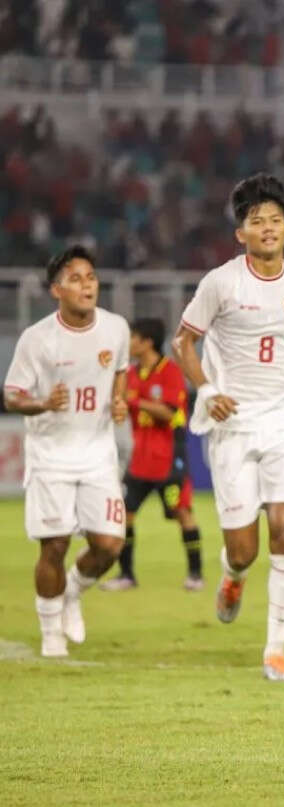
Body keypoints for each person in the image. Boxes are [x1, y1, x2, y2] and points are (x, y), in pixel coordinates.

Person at [172, 173, 284, 682]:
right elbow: (183, 342)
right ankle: (232, 575)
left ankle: (275, 650)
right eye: (255, 221)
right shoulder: (221, 283)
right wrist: (206, 390)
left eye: (273, 220)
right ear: (240, 234)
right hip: (232, 426)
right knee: (245, 549)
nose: (266, 228)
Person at [4, 246, 131, 658]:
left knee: (110, 545)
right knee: (54, 545)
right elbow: (11, 396)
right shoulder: (37, 339)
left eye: (90, 277)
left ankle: (72, 593)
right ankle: (50, 635)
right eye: (75, 279)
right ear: (57, 289)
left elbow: (121, 371)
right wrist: (43, 403)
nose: (86, 285)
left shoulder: (116, 328)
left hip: (97, 453)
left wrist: (119, 400)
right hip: (51, 454)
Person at [100, 317, 205, 592]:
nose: (130, 344)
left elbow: (169, 412)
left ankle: (195, 574)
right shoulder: (131, 374)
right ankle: (126, 575)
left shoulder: (170, 371)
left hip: (169, 459)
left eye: (133, 338)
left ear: (146, 342)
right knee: (125, 515)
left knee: (182, 512)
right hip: (139, 460)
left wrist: (132, 402)